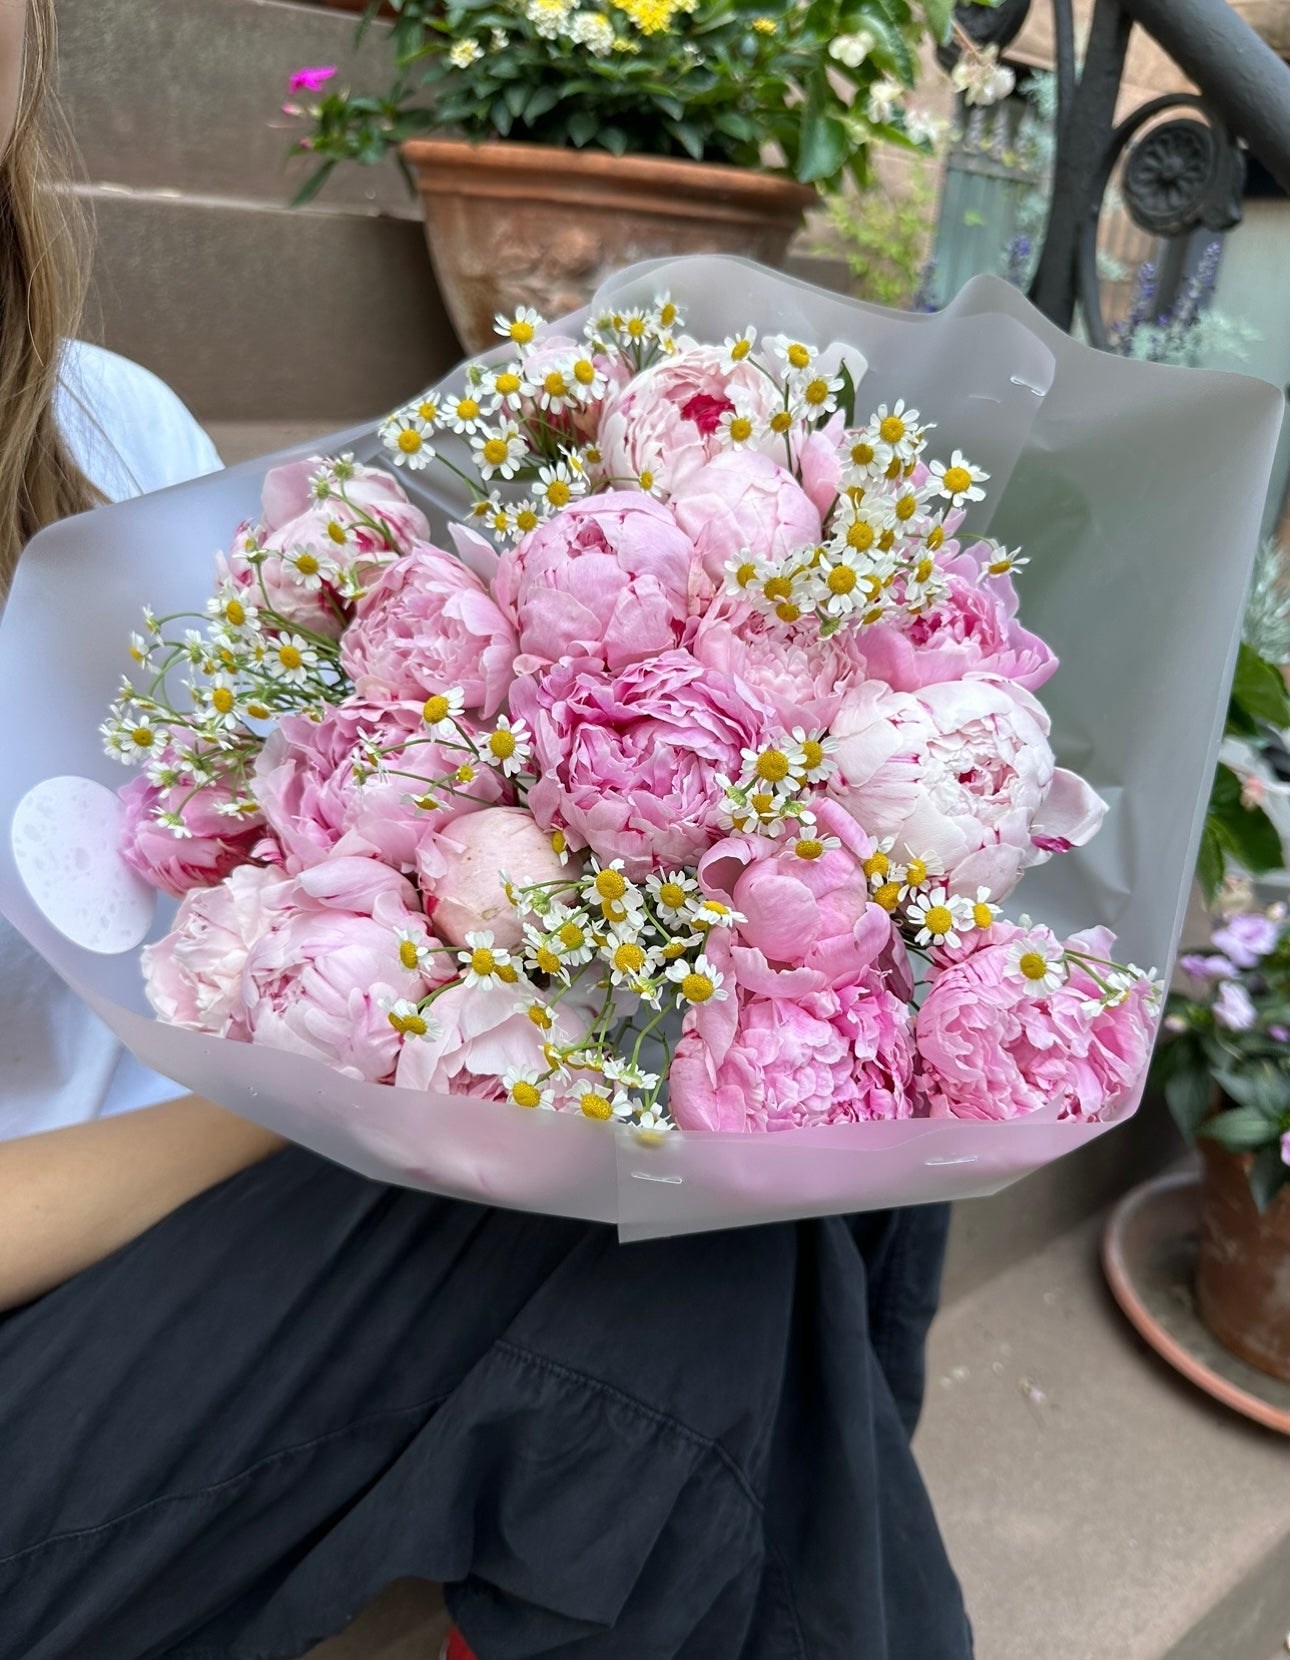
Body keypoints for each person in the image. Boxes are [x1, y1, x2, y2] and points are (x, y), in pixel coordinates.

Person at [0, 3, 971, 1656]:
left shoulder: (107, 430)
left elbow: (247, 845)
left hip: (188, 1200)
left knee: (834, 993)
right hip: (84, 1259)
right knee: (673, 1227)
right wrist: (391, 1074)